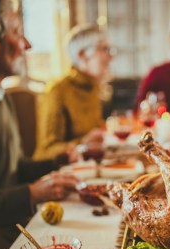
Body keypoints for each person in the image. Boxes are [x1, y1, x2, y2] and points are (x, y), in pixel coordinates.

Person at [0, 0, 78, 249]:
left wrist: (55, 163)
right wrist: (32, 193)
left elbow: (13, 167)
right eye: (17, 33)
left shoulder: (0, 96)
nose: (27, 44)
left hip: (12, 227)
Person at [33, 24, 113, 160]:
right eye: (104, 49)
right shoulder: (56, 92)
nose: (110, 57)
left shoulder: (93, 86)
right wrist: (81, 143)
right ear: (82, 55)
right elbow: (45, 152)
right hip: (62, 174)